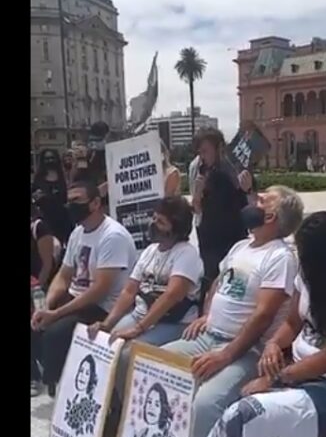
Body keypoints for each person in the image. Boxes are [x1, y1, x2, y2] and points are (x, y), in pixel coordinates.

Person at [130, 186, 304, 437]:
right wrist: (207, 314)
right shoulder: (242, 246)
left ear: (272, 216)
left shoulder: (279, 257)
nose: (254, 201)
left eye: (262, 200)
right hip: (210, 336)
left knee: (208, 404)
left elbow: (262, 315)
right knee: (154, 364)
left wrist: (226, 354)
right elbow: (219, 285)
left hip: (248, 350)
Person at [30, 181, 137, 397]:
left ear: (96, 203)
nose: (71, 205)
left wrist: (56, 314)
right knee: (36, 319)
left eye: (77, 200)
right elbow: (64, 274)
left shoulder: (112, 235)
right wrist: (48, 304)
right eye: (69, 201)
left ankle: (62, 383)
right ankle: (44, 377)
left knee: (56, 333)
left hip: (102, 305)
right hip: (77, 297)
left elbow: (100, 289)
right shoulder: (78, 233)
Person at [89, 196, 202, 346]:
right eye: (154, 218)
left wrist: (138, 329)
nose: (153, 224)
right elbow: (129, 291)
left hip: (173, 322)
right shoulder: (150, 251)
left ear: (176, 229)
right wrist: (107, 324)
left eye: (161, 222)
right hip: (139, 315)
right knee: (106, 342)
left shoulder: (187, 254)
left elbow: (171, 296)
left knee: (128, 351)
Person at [191, 129, 255, 288]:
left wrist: (248, 190)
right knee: (211, 281)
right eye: (200, 152)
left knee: (233, 283)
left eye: (205, 151)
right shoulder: (202, 172)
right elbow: (197, 210)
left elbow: (254, 206)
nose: (203, 157)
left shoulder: (238, 172)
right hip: (210, 241)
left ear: (219, 148)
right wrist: (198, 193)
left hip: (234, 238)